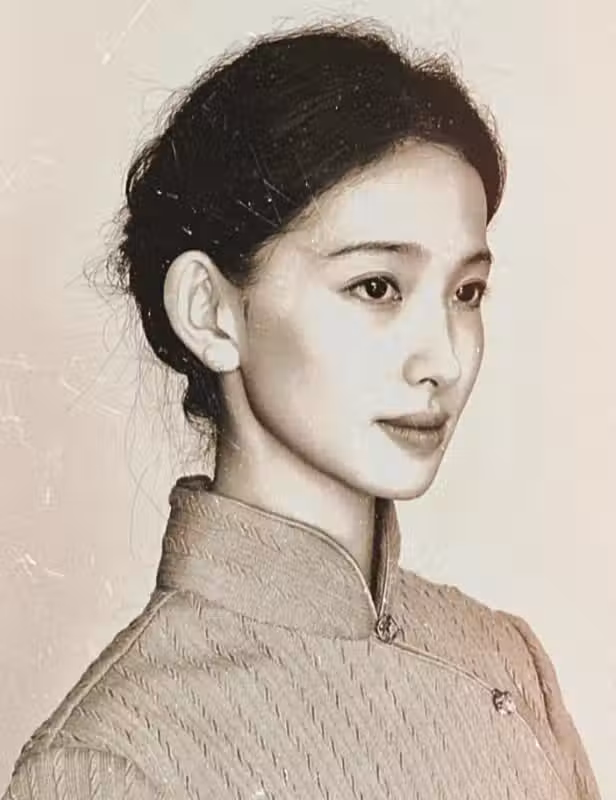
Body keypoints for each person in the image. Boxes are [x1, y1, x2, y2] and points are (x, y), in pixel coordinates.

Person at [3, 21, 601, 800]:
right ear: (210, 312)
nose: (445, 360)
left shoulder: (507, 660)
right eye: (377, 287)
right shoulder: (113, 763)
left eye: (466, 292)